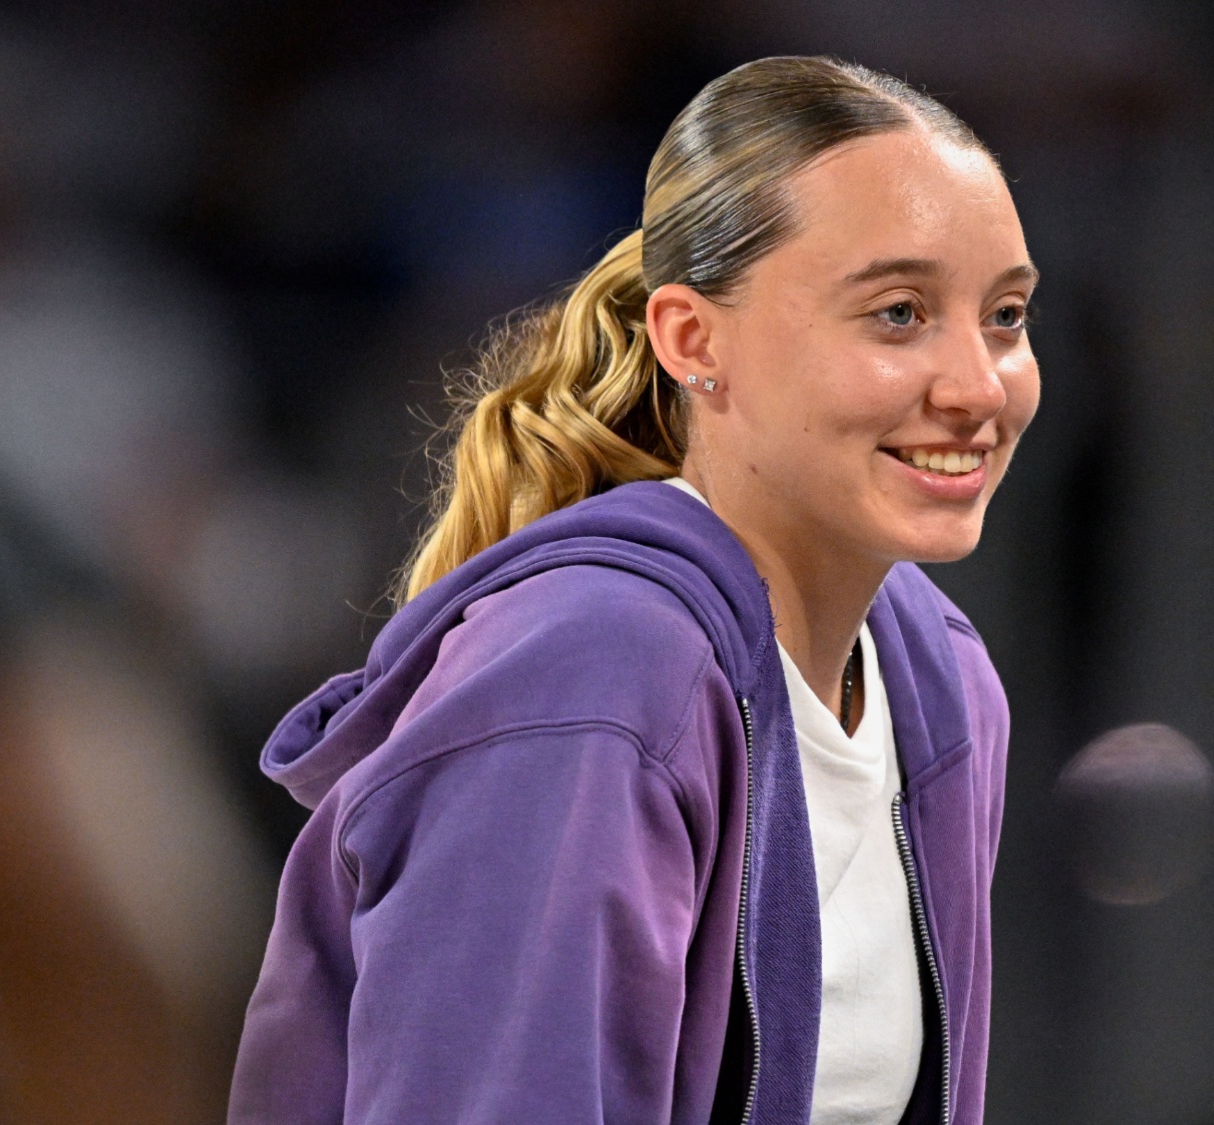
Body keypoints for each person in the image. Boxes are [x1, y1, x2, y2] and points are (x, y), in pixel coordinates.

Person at [230, 55, 1039, 1125]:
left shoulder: (936, 671)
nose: (977, 387)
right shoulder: (589, 672)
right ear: (693, 341)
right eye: (896, 314)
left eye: (1005, 316)